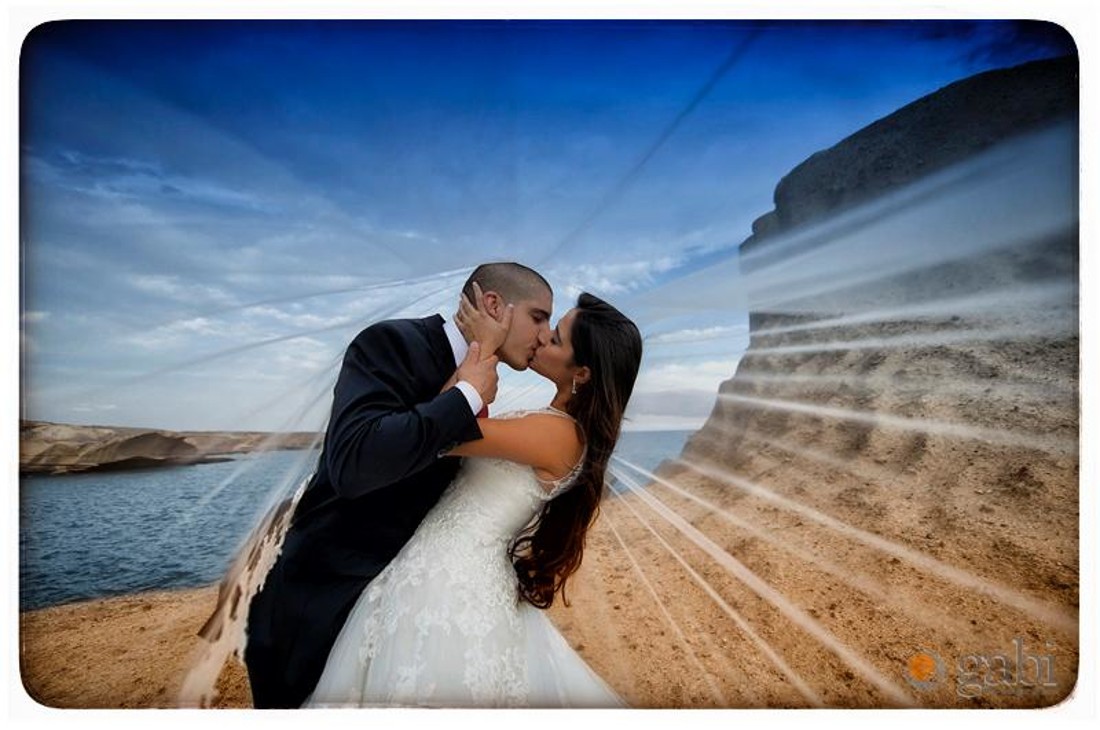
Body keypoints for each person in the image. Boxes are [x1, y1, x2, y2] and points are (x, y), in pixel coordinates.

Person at [304, 290, 643, 708]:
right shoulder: (552, 424)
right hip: (436, 566)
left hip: (449, 582)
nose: (541, 337)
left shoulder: (560, 434)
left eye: (555, 338)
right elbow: (447, 423)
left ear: (583, 373)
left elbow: (444, 434)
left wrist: (482, 347)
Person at [243, 262, 554, 709]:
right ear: (493, 305)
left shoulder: (481, 375)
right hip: (321, 598)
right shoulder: (392, 343)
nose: (544, 335)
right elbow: (353, 464)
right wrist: (465, 395)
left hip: (400, 607)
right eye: (538, 317)